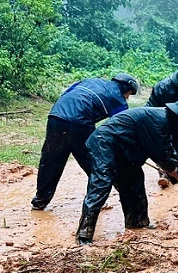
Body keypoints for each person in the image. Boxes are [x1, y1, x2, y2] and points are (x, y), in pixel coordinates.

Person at [75, 100, 178, 245]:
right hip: (106, 144)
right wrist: (172, 170)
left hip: (125, 149)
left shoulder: (167, 120)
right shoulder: (158, 122)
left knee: (134, 182)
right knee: (101, 185)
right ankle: (84, 235)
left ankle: (137, 222)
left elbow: (168, 149)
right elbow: (161, 154)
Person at [31, 74, 138, 211]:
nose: (128, 97)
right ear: (126, 87)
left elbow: (66, 94)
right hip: (79, 123)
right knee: (95, 163)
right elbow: (120, 126)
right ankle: (95, 201)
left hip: (55, 116)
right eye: (129, 93)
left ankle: (40, 200)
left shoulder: (90, 81)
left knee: (51, 160)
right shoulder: (119, 100)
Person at [146, 68, 178, 186]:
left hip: (177, 121)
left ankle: (175, 172)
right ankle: (164, 174)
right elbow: (152, 108)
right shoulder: (162, 88)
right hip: (160, 119)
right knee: (163, 146)